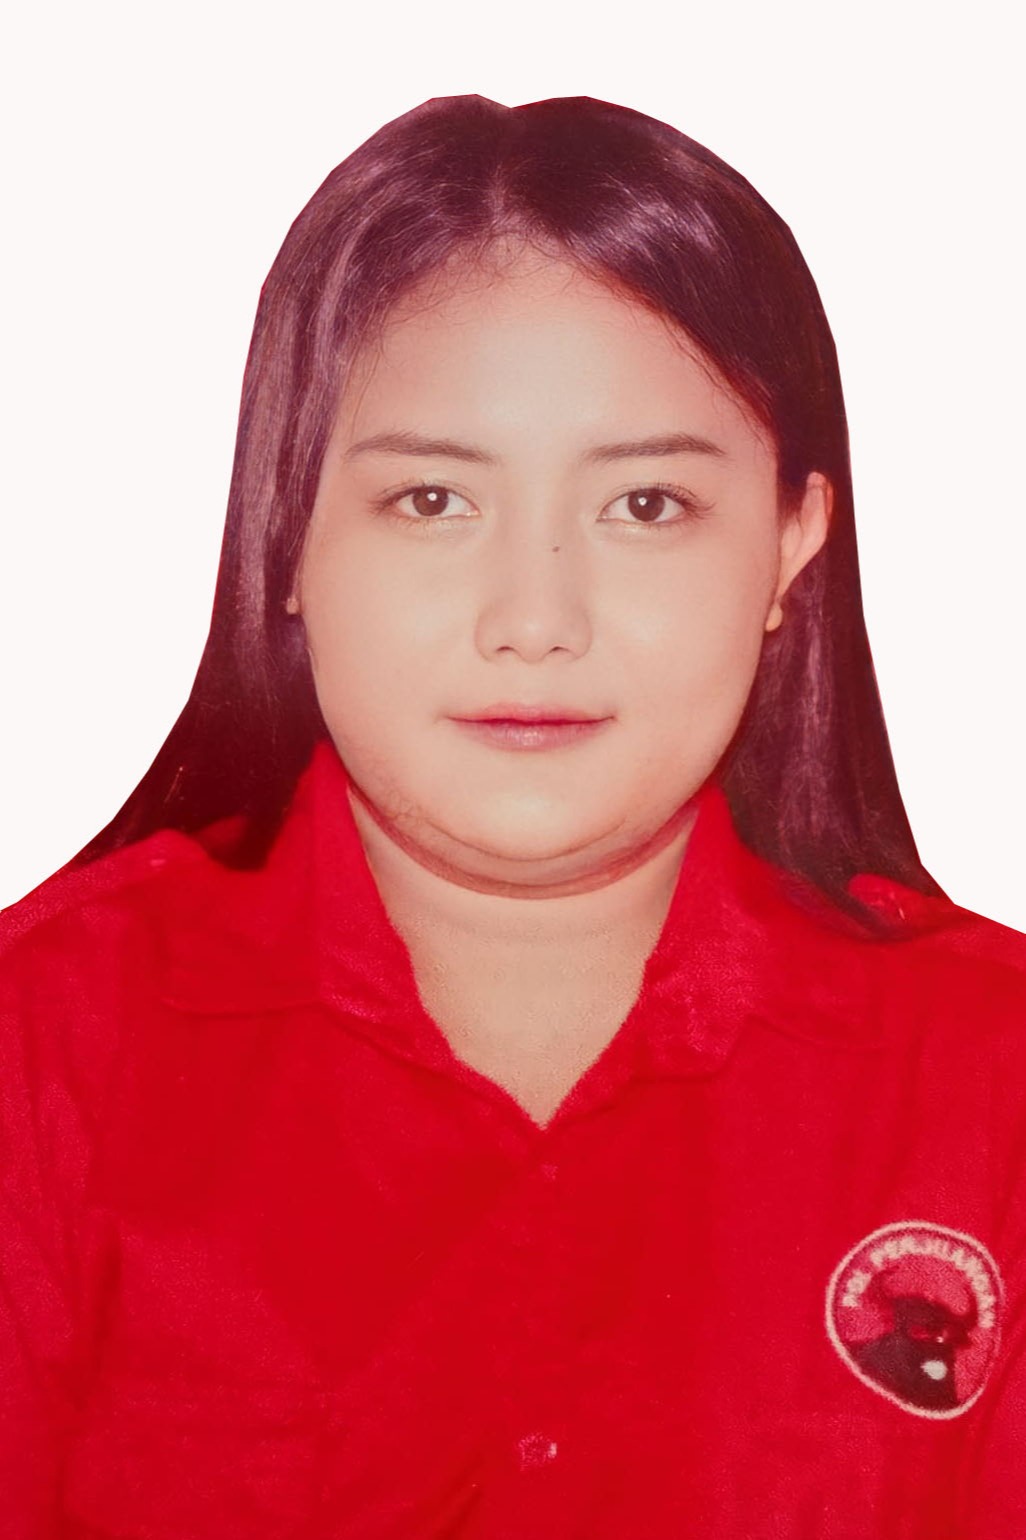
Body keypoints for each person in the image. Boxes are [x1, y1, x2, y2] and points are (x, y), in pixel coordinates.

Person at [1, 92, 1024, 1538]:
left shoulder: (991, 1082)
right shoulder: (39, 1058)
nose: (534, 619)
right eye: (432, 500)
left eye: (647, 506)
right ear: (284, 534)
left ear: (790, 547)